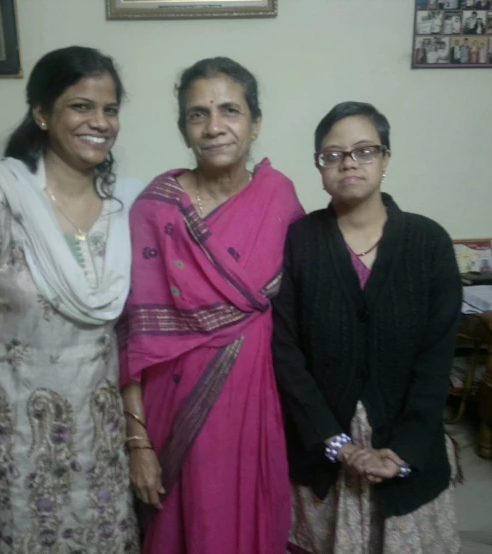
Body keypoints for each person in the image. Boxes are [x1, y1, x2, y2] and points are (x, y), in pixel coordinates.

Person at [0, 46, 141, 554]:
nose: (100, 122)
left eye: (110, 109)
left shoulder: (128, 205)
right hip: (15, 435)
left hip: (99, 433)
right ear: (42, 113)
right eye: (80, 106)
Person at [119, 57, 304, 554]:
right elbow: (133, 335)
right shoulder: (155, 210)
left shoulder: (279, 196)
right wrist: (137, 444)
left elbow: (304, 310)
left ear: (256, 122)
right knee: (184, 525)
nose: (215, 126)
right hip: (172, 403)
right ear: (183, 129)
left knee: (246, 518)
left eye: (230, 110)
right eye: (198, 114)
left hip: (257, 399)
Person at [272, 102, 462, 554]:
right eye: (332, 154)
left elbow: (436, 358)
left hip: (408, 441)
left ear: (386, 158)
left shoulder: (428, 242)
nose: (348, 163)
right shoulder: (299, 241)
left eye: (364, 151)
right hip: (323, 444)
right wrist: (335, 442)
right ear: (319, 167)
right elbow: (285, 351)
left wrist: (405, 451)